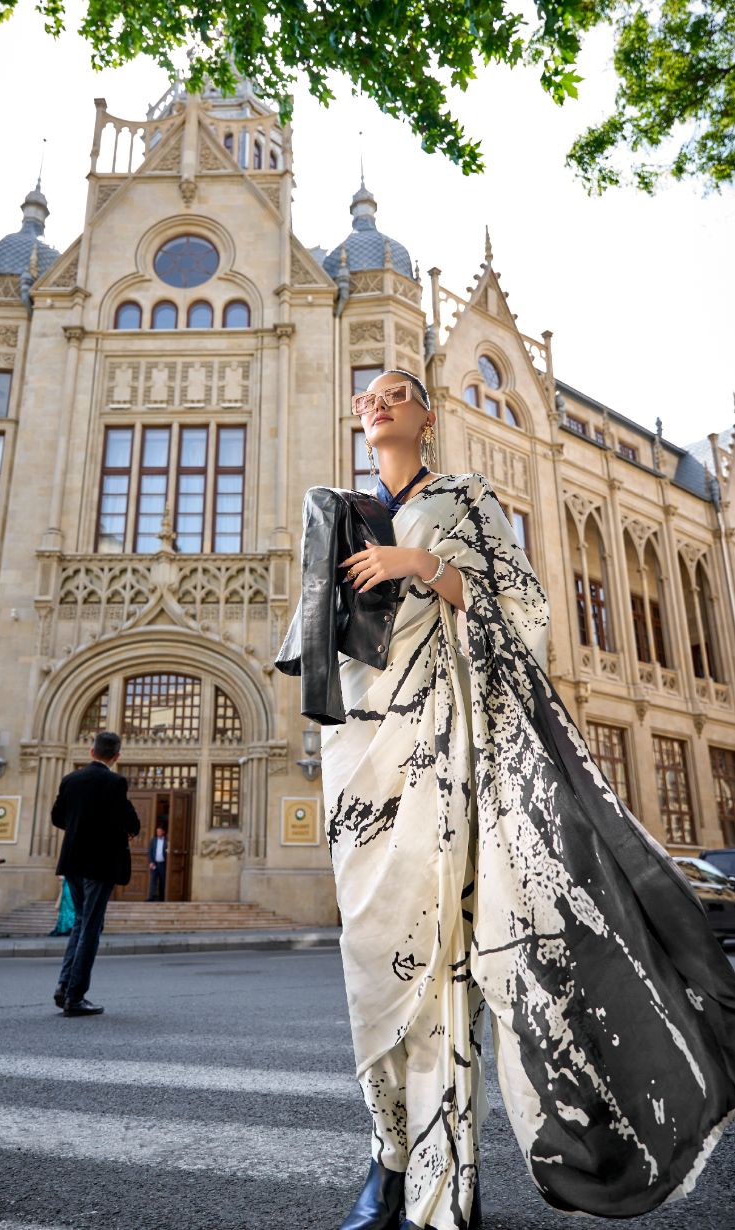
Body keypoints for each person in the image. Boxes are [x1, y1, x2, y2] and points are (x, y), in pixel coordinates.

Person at [278, 369, 735, 1230]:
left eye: (397, 392)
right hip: (365, 754)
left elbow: (525, 610)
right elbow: (312, 639)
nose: (375, 402)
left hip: (453, 754)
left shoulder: (465, 498)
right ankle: (387, 1149)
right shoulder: (339, 507)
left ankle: (433, 1187)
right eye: (364, 395)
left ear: (426, 415)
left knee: (443, 966)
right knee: (373, 967)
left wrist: (425, 565)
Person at [50, 729, 140, 1016]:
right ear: (116, 756)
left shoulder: (70, 779)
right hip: (99, 865)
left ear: (92, 752)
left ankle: (64, 987)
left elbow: (57, 817)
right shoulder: (115, 782)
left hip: (72, 862)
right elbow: (131, 821)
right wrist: (115, 831)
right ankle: (75, 996)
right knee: (91, 927)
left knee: (80, 921)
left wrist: (80, 828)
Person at [147, 823, 167, 901]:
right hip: (155, 863)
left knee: (162, 880)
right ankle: (152, 896)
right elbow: (150, 851)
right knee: (153, 880)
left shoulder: (166, 841)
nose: (158, 833)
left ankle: (162, 898)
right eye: (157, 831)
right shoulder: (153, 840)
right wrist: (151, 862)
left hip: (162, 864)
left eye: (159, 831)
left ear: (163, 832)